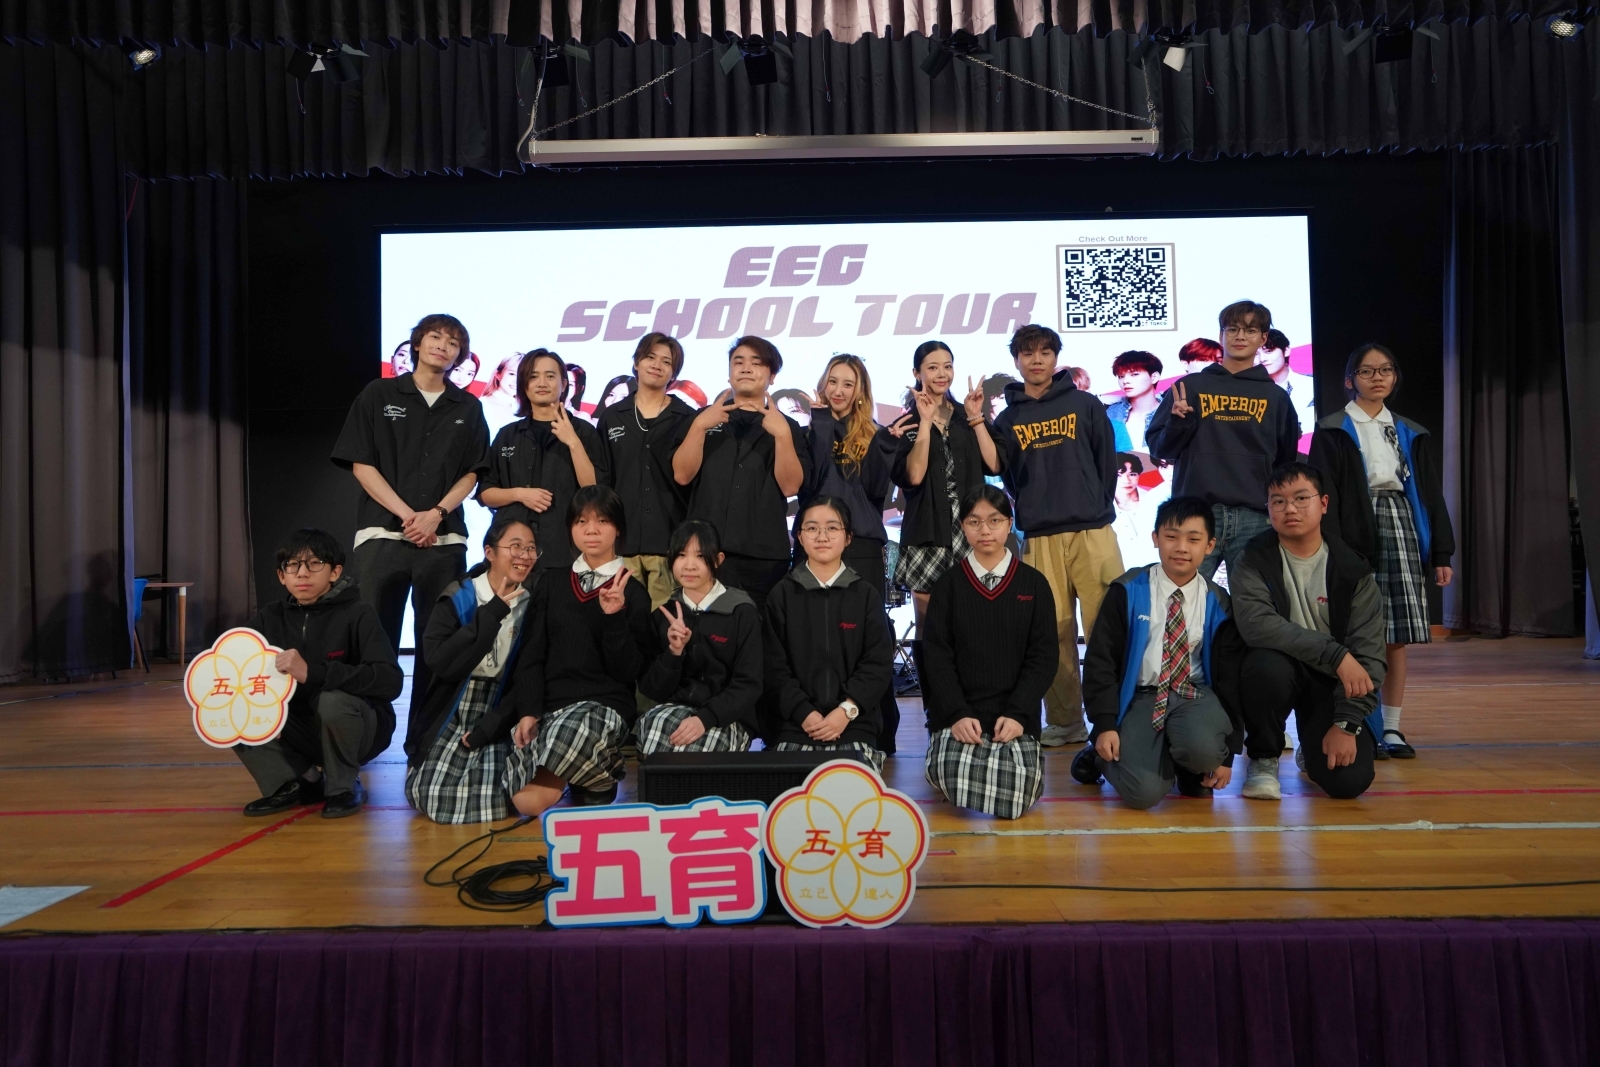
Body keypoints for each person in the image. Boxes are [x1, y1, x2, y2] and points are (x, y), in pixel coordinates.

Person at [332, 313, 490, 760]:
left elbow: (474, 472)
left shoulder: (467, 407)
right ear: (417, 343)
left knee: (437, 645)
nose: (443, 346)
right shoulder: (379, 394)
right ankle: (364, 741)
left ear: (460, 356)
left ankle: (425, 743)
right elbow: (361, 462)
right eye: (435, 337)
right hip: (383, 536)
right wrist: (408, 517)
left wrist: (435, 515)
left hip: (443, 542)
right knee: (373, 642)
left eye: (453, 342)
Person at [1309, 344, 1455, 759]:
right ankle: (1356, 725)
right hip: (1352, 528)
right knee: (1352, 632)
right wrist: (1330, 547)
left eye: (1386, 370)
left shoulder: (1410, 430)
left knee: (1395, 636)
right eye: (1367, 371)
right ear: (1349, 380)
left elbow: (1429, 493)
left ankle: (1391, 728)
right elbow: (1324, 493)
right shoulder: (1333, 429)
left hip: (1401, 523)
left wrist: (1441, 552)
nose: (1378, 377)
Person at [991, 324, 1124, 748]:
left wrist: (1092, 502)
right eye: (1028, 353)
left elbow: (1106, 464)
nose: (1037, 360)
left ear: (1055, 358)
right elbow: (1008, 477)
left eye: (1045, 352)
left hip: (1093, 530)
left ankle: (1113, 717)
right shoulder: (1008, 418)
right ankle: (1066, 721)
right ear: (1016, 360)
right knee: (1052, 631)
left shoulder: (1085, 404)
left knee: (1106, 626)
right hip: (1041, 536)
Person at [490, 486, 655, 814]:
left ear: (618, 528)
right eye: (581, 521)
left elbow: (628, 672)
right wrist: (528, 711)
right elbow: (532, 655)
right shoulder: (551, 582)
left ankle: (596, 771)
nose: (591, 530)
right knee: (515, 792)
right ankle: (590, 773)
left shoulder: (633, 592)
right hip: (553, 708)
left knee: (537, 788)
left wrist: (613, 618)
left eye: (602, 521)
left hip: (604, 707)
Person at [1072, 497, 1246, 808]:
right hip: (1142, 696)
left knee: (1207, 752)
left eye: (1193, 539)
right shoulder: (1128, 590)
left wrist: (1228, 754)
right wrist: (1105, 725)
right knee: (1142, 794)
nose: (1181, 547)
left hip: (1193, 694)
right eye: (1171, 536)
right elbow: (1101, 662)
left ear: (1210, 545)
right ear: (1155, 539)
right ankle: (1099, 756)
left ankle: (1186, 763)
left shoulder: (1219, 603)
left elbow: (1231, 679)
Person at [1231, 462, 1384, 801]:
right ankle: (1263, 758)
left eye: (1301, 498)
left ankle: (1310, 749)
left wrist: (1346, 723)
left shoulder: (1352, 569)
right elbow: (1257, 626)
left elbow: (1369, 656)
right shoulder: (1253, 559)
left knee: (1348, 784)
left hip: (1329, 682)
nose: (1290, 509)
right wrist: (1335, 653)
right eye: (1278, 501)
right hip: (1280, 670)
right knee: (1263, 666)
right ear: (1268, 508)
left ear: (1323, 503)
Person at [235, 529, 403, 819]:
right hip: (300, 727)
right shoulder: (269, 617)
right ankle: (297, 782)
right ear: (281, 576)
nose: (302, 573)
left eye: (314, 563)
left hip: (361, 728)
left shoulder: (358, 613)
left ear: (335, 572)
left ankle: (343, 786)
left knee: (332, 700)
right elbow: (236, 664)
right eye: (292, 565)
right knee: (229, 709)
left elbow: (390, 681)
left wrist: (313, 672)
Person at [921, 487, 1058, 819]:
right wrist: (956, 713)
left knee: (1018, 797)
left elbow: (1043, 657)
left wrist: (1018, 714)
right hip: (960, 717)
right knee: (951, 779)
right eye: (974, 521)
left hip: (1013, 718)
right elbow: (937, 656)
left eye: (994, 520)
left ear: (1009, 524)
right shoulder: (948, 585)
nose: (985, 530)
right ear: (963, 527)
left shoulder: (1034, 584)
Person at [1147, 301, 1303, 584]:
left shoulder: (1276, 397)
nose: (1240, 336)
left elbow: (1285, 462)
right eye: (1232, 329)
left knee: (1255, 603)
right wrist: (1178, 423)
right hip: (1196, 514)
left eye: (1250, 330)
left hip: (1255, 517)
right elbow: (1160, 449)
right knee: (1183, 598)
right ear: (1221, 335)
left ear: (1263, 338)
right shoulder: (1190, 387)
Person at [405, 518, 537, 824]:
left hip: (503, 707)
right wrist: (492, 613)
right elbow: (441, 662)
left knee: (500, 794)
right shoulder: (459, 596)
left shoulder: (533, 603)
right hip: (455, 704)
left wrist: (492, 725)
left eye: (531, 549)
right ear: (489, 552)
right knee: (430, 793)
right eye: (515, 547)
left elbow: (529, 674)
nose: (524, 556)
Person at [802, 354, 902, 753]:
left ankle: (879, 730)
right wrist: (821, 424)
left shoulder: (875, 434)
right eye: (833, 381)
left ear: (860, 391)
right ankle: (821, 724)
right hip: (815, 545)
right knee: (816, 637)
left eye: (848, 383)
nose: (839, 390)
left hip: (861, 545)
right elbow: (809, 484)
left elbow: (877, 493)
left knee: (868, 637)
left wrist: (887, 446)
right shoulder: (811, 430)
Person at [673, 336, 810, 611]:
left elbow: (790, 487)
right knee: (700, 630)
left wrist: (782, 436)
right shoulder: (701, 419)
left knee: (758, 632)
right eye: (738, 362)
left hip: (763, 559)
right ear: (729, 373)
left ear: (772, 376)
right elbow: (682, 475)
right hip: (704, 553)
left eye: (756, 363)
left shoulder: (788, 427)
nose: (746, 368)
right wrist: (699, 427)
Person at [763, 497, 895, 768]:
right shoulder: (782, 595)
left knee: (851, 785)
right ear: (800, 537)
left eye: (832, 528)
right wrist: (803, 713)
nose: (822, 536)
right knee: (791, 788)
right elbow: (772, 667)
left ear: (848, 537)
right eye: (812, 528)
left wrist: (846, 711)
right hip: (794, 725)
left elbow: (878, 664)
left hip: (854, 724)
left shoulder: (866, 595)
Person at [888, 341, 1001, 635]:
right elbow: (913, 477)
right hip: (927, 531)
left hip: (971, 530)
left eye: (947, 366)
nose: (942, 374)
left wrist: (976, 417)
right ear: (917, 373)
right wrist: (925, 423)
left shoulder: (967, 416)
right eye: (933, 367)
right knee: (929, 628)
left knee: (975, 623)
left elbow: (994, 465)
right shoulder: (906, 423)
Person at [478, 348, 608, 580]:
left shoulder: (583, 431)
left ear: (564, 384)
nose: (542, 383)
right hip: (512, 552)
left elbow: (594, 490)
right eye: (533, 376)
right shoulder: (508, 434)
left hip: (564, 549)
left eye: (550, 376)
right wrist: (520, 494)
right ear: (524, 384)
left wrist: (573, 442)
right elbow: (486, 494)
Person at [635, 521, 763, 754]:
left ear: (718, 559)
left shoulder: (742, 612)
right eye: (681, 555)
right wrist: (674, 653)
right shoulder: (664, 615)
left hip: (727, 717)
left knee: (692, 756)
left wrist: (705, 718)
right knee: (656, 743)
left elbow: (749, 684)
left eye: (701, 556)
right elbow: (652, 689)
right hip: (673, 710)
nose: (689, 565)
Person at [600, 333, 699, 610]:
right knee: (622, 620)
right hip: (622, 543)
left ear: (674, 373)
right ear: (636, 363)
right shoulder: (611, 417)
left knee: (666, 622)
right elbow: (604, 482)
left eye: (666, 361)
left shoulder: (687, 418)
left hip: (668, 543)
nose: (657, 365)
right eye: (650, 357)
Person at [1256, 328, 1317, 434]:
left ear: (1286, 350)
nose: (1262, 359)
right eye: (1255, 354)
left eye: (1268, 351)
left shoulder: (1311, 384)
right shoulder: (1248, 391)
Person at [1106, 350, 1165, 454]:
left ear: (1154, 377)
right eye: (1121, 376)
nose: (1125, 381)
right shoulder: (1111, 413)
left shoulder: (1170, 413)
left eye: (1134, 374)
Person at [482, 354, 524, 427]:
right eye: (512, 374)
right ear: (498, 374)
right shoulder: (481, 406)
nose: (517, 380)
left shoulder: (527, 409)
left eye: (523, 376)